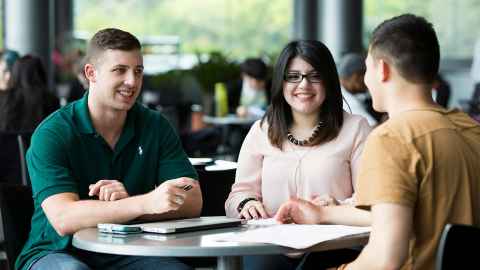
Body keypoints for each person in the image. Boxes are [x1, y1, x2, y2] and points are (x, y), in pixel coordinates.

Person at [275, 14, 480, 270]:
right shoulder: (472, 130)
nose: (365, 80)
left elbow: (385, 260)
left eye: (367, 68)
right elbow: (407, 212)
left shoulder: (391, 139)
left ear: (382, 69)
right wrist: (323, 214)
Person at [16, 28, 202, 270]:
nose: (132, 82)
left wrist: (130, 204)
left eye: (138, 71)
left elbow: (193, 200)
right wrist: (143, 204)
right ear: (91, 73)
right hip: (57, 250)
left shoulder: (155, 125)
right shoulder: (53, 133)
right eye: (119, 70)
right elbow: (64, 218)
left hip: (130, 250)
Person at [225, 40, 372, 270]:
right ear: (281, 83)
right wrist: (247, 202)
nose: (303, 84)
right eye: (293, 76)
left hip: (333, 247)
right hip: (270, 245)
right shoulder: (261, 130)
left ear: (329, 81)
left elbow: (368, 200)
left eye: (314, 76)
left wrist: (335, 207)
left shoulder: (356, 128)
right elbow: (238, 195)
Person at [0, 55, 59, 132]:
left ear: (16, 73)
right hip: (40, 143)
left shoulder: (6, 98)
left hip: (9, 143)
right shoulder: (51, 100)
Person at [338, 53, 378, 126]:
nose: (368, 80)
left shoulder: (345, 91)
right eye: (366, 74)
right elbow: (372, 128)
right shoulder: (345, 100)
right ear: (356, 76)